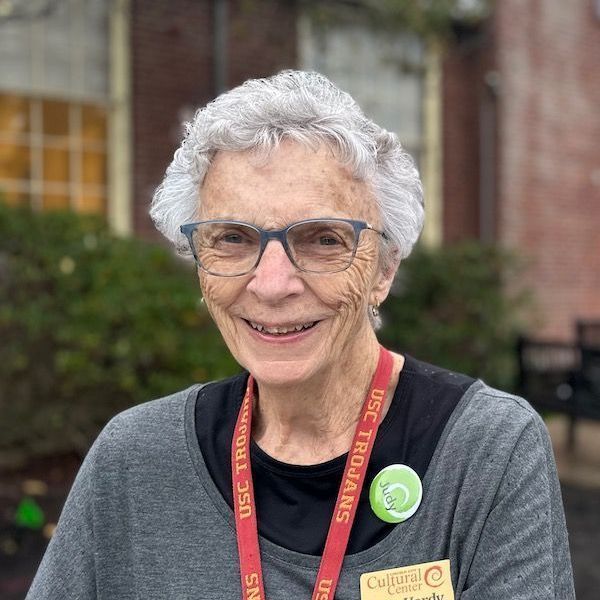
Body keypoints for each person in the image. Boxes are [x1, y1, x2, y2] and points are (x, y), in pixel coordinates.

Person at [27, 70, 575, 600]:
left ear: (384, 269)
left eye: (322, 240)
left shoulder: (487, 453)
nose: (271, 284)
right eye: (233, 239)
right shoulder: (134, 460)